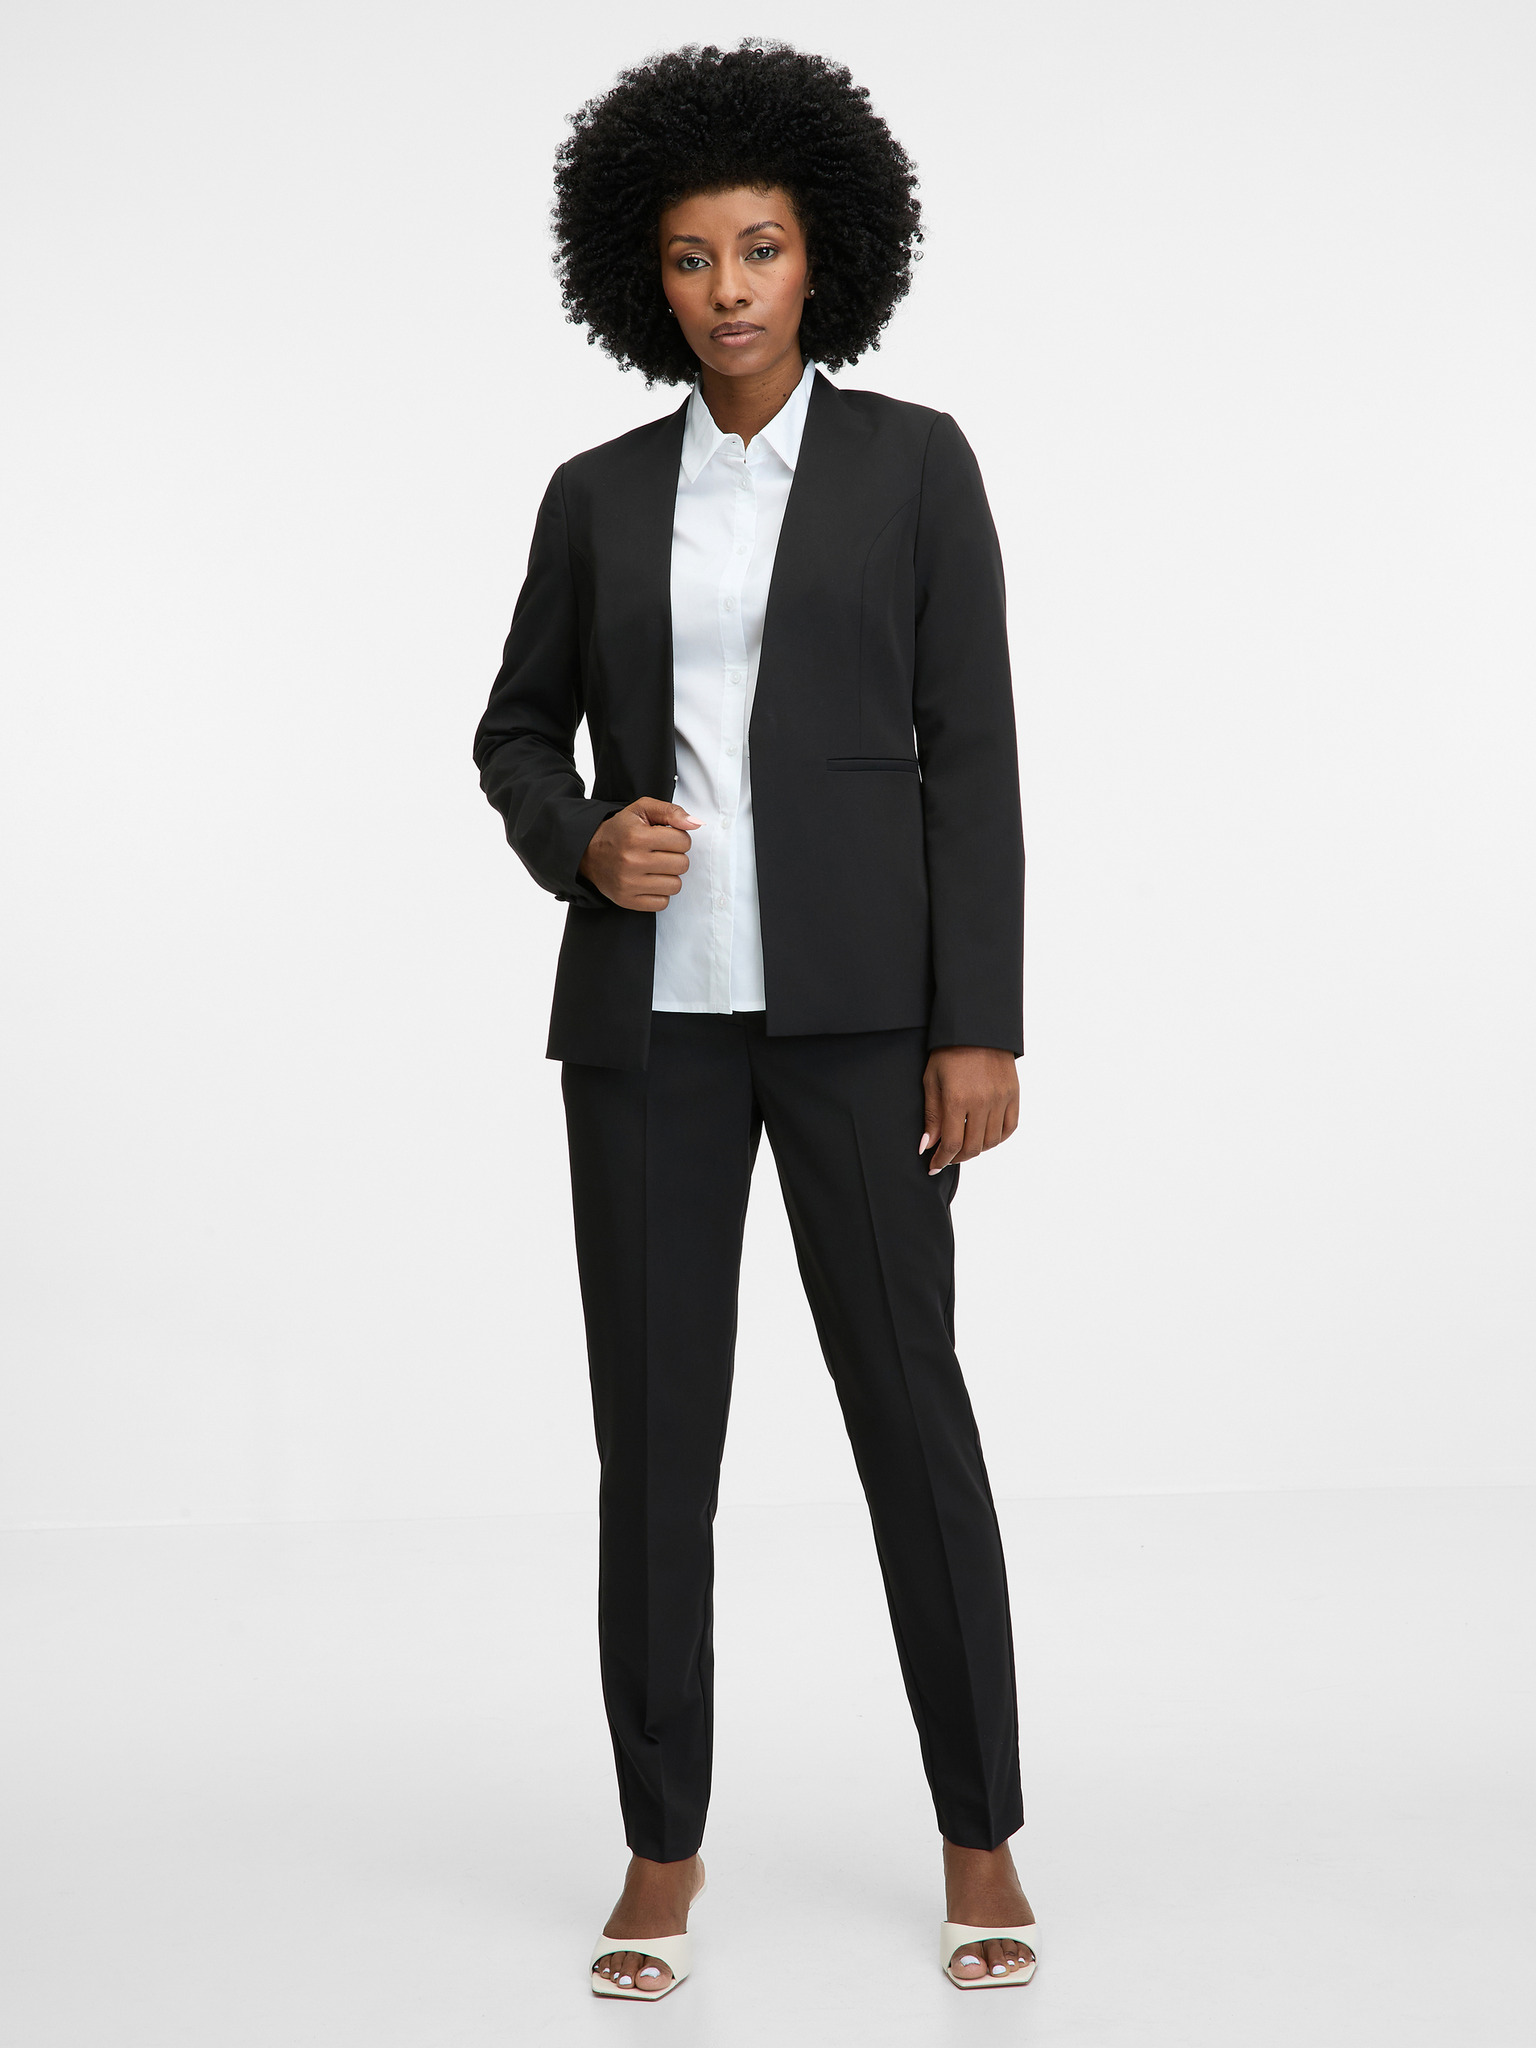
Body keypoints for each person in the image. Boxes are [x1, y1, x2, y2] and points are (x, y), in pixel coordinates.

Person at [472, 39, 1036, 1999]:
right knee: (655, 1450)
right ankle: (661, 1847)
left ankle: (981, 1832)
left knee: (910, 1418)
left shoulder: (916, 467)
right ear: (646, 276)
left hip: (868, 1026)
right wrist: (582, 839)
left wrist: (981, 1023)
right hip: (651, 1036)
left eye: (763, 247)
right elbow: (515, 728)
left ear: (825, 257)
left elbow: (973, 755)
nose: (728, 287)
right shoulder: (597, 495)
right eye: (694, 255)